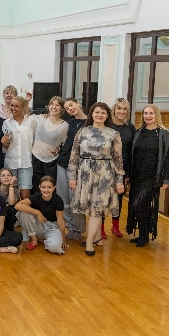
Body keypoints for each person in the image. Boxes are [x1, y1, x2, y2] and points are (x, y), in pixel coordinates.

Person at [68, 103, 125, 256]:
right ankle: (97, 237)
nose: (100, 115)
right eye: (97, 112)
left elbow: (118, 159)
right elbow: (74, 155)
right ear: (92, 114)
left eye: (103, 113)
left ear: (107, 116)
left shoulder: (114, 134)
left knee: (97, 207)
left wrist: (120, 180)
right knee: (89, 207)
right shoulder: (82, 131)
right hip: (85, 172)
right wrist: (72, 176)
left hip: (105, 173)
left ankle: (89, 242)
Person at [126, 104, 169, 247]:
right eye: (145, 113)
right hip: (137, 175)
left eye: (151, 113)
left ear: (156, 115)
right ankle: (143, 234)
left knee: (142, 204)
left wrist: (167, 179)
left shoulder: (165, 134)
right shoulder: (138, 132)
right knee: (138, 205)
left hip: (152, 176)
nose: (148, 116)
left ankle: (143, 236)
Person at [58, 98, 87, 241]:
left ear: (78, 104)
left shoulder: (89, 122)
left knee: (76, 199)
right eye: (67, 108)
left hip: (79, 166)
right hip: (63, 162)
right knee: (64, 198)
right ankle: (69, 227)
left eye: (71, 105)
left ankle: (78, 228)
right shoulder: (69, 122)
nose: (70, 108)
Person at [15, 176, 68, 254]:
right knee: (22, 212)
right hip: (38, 225)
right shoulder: (36, 197)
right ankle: (34, 240)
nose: (46, 190)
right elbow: (17, 206)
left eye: (49, 187)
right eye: (43, 187)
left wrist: (63, 240)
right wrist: (38, 212)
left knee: (54, 247)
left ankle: (43, 240)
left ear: (54, 188)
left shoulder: (58, 200)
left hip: (51, 227)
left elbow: (61, 222)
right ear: (39, 187)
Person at [108, 98, 136, 238]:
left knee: (118, 197)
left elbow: (132, 151)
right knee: (103, 197)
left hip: (123, 167)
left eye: (125, 109)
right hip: (106, 167)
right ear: (114, 109)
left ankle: (115, 226)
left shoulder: (130, 127)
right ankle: (100, 228)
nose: (122, 111)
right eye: (119, 108)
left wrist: (128, 174)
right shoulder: (107, 125)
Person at [30, 96, 68, 193]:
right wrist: (27, 101)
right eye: (52, 104)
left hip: (51, 161)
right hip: (35, 158)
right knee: (36, 187)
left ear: (62, 108)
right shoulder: (41, 118)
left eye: (57, 105)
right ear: (48, 106)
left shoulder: (64, 126)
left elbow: (65, 144)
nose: (54, 107)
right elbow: (26, 115)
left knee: (49, 187)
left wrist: (59, 149)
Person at [1, 96, 34, 200]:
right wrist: (4, 142)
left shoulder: (31, 121)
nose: (13, 108)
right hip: (11, 162)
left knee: (25, 195)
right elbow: (6, 145)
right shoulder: (6, 123)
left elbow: (37, 138)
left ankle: (24, 211)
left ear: (23, 107)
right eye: (12, 105)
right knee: (11, 194)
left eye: (16, 106)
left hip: (26, 162)